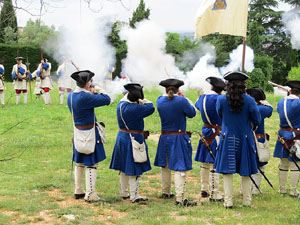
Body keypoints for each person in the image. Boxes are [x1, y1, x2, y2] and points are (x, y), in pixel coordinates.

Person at [215, 71, 261, 208]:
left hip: (227, 136)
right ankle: (247, 201)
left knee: (227, 172)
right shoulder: (250, 100)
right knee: (245, 170)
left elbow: (220, 116)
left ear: (228, 84)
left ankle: (228, 202)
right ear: (243, 85)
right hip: (245, 138)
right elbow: (257, 119)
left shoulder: (221, 99)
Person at [67, 70, 111, 203]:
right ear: (87, 84)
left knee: (80, 162)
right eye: (90, 81)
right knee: (92, 163)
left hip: (78, 132)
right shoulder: (85, 97)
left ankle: (78, 189)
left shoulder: (71, 95)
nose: (92, 83)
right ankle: (90, 194)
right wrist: (97, 89)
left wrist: (90, 91)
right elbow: (107, 99)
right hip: (89, 133)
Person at [154, 78, 197, 207]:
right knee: (180, 168)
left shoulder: (159, 100)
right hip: (178, 137)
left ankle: (166, 192)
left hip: (165, 136)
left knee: (165, 165)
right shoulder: (182, 101)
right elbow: (192, 113)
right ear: (178, 89)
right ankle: (180, 198)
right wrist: (186, 99)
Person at [110, 83, 155, 203]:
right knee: (134, 168)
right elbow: (151, 107)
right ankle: (134, 196)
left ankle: (124, 192)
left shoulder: (121, 103)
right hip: (133, 138)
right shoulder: (134, 108)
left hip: (122, 137)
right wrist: (142, 99)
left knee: (124, 167)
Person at [194, 76, 225, 201]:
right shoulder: (220, 99)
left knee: (205, 163)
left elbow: (197, 106)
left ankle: (204, 189)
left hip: (206, 131)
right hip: (216, 133)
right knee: (214, 163)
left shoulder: (202, 97)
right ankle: (214, 193)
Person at [274, 80, 300, 197]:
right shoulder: (298, 103)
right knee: (296, 164)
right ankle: (293, 191)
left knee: (283, 163)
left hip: (282, 135)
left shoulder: (280, 102)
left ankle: (282, 189)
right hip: (295, 136)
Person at [246, 87, 273, 194]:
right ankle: (254, 190)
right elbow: (270, 109)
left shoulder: (246, 108)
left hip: (248, 138)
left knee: (248, 164)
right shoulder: (261, 109)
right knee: (258, 165)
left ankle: (249, 189)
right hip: (257, 139)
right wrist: (263, 101)